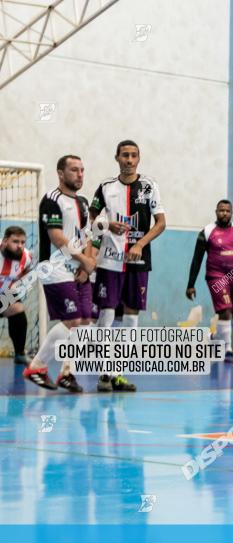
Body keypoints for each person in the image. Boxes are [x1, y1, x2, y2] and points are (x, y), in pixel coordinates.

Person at [89, 139, 166, 391]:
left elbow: (161, 223)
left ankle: (118, 373)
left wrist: (140, 244)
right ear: (117, 158)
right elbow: (91, 220)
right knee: (107, 315)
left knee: (132, 319)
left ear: (139, 158)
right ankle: (103, 373)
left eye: (134, 155)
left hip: (138, 261)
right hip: (110, 261)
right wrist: (107, 225)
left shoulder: (149, 186)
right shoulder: (105, 187)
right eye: (125, 155)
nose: (129, 160)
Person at [23, 155, 95, 392]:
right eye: (74, 170)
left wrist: (86, 264)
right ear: (61, 174)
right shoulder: (51, 200)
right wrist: (84, 259)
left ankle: (67, 373)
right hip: (55, 268)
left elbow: (88, 235)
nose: (80, 174)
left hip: (78, 268)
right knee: (72, 320)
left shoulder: (83, 202)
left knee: (84, 322)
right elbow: (56, 237)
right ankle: (37, 367)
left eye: (82, 170)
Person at [186, 199, 233, 363]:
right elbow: (196, 260)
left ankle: (216, 336)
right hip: (216, 276)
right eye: (221, 210)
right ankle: (227, 349)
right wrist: (190, 284)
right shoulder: (207, 232)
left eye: (227, 211)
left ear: (231, 213)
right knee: (225, 311)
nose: (224, 213)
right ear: (216, 212)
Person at [0, 226, 36, 364]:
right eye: (15, 242)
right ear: (4, 241)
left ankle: (19, 354)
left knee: (18, 309)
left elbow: (27, 269)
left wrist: (19, 278)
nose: (20, 246)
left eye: (22, 242)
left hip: (4, 294)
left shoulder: (26, 257)